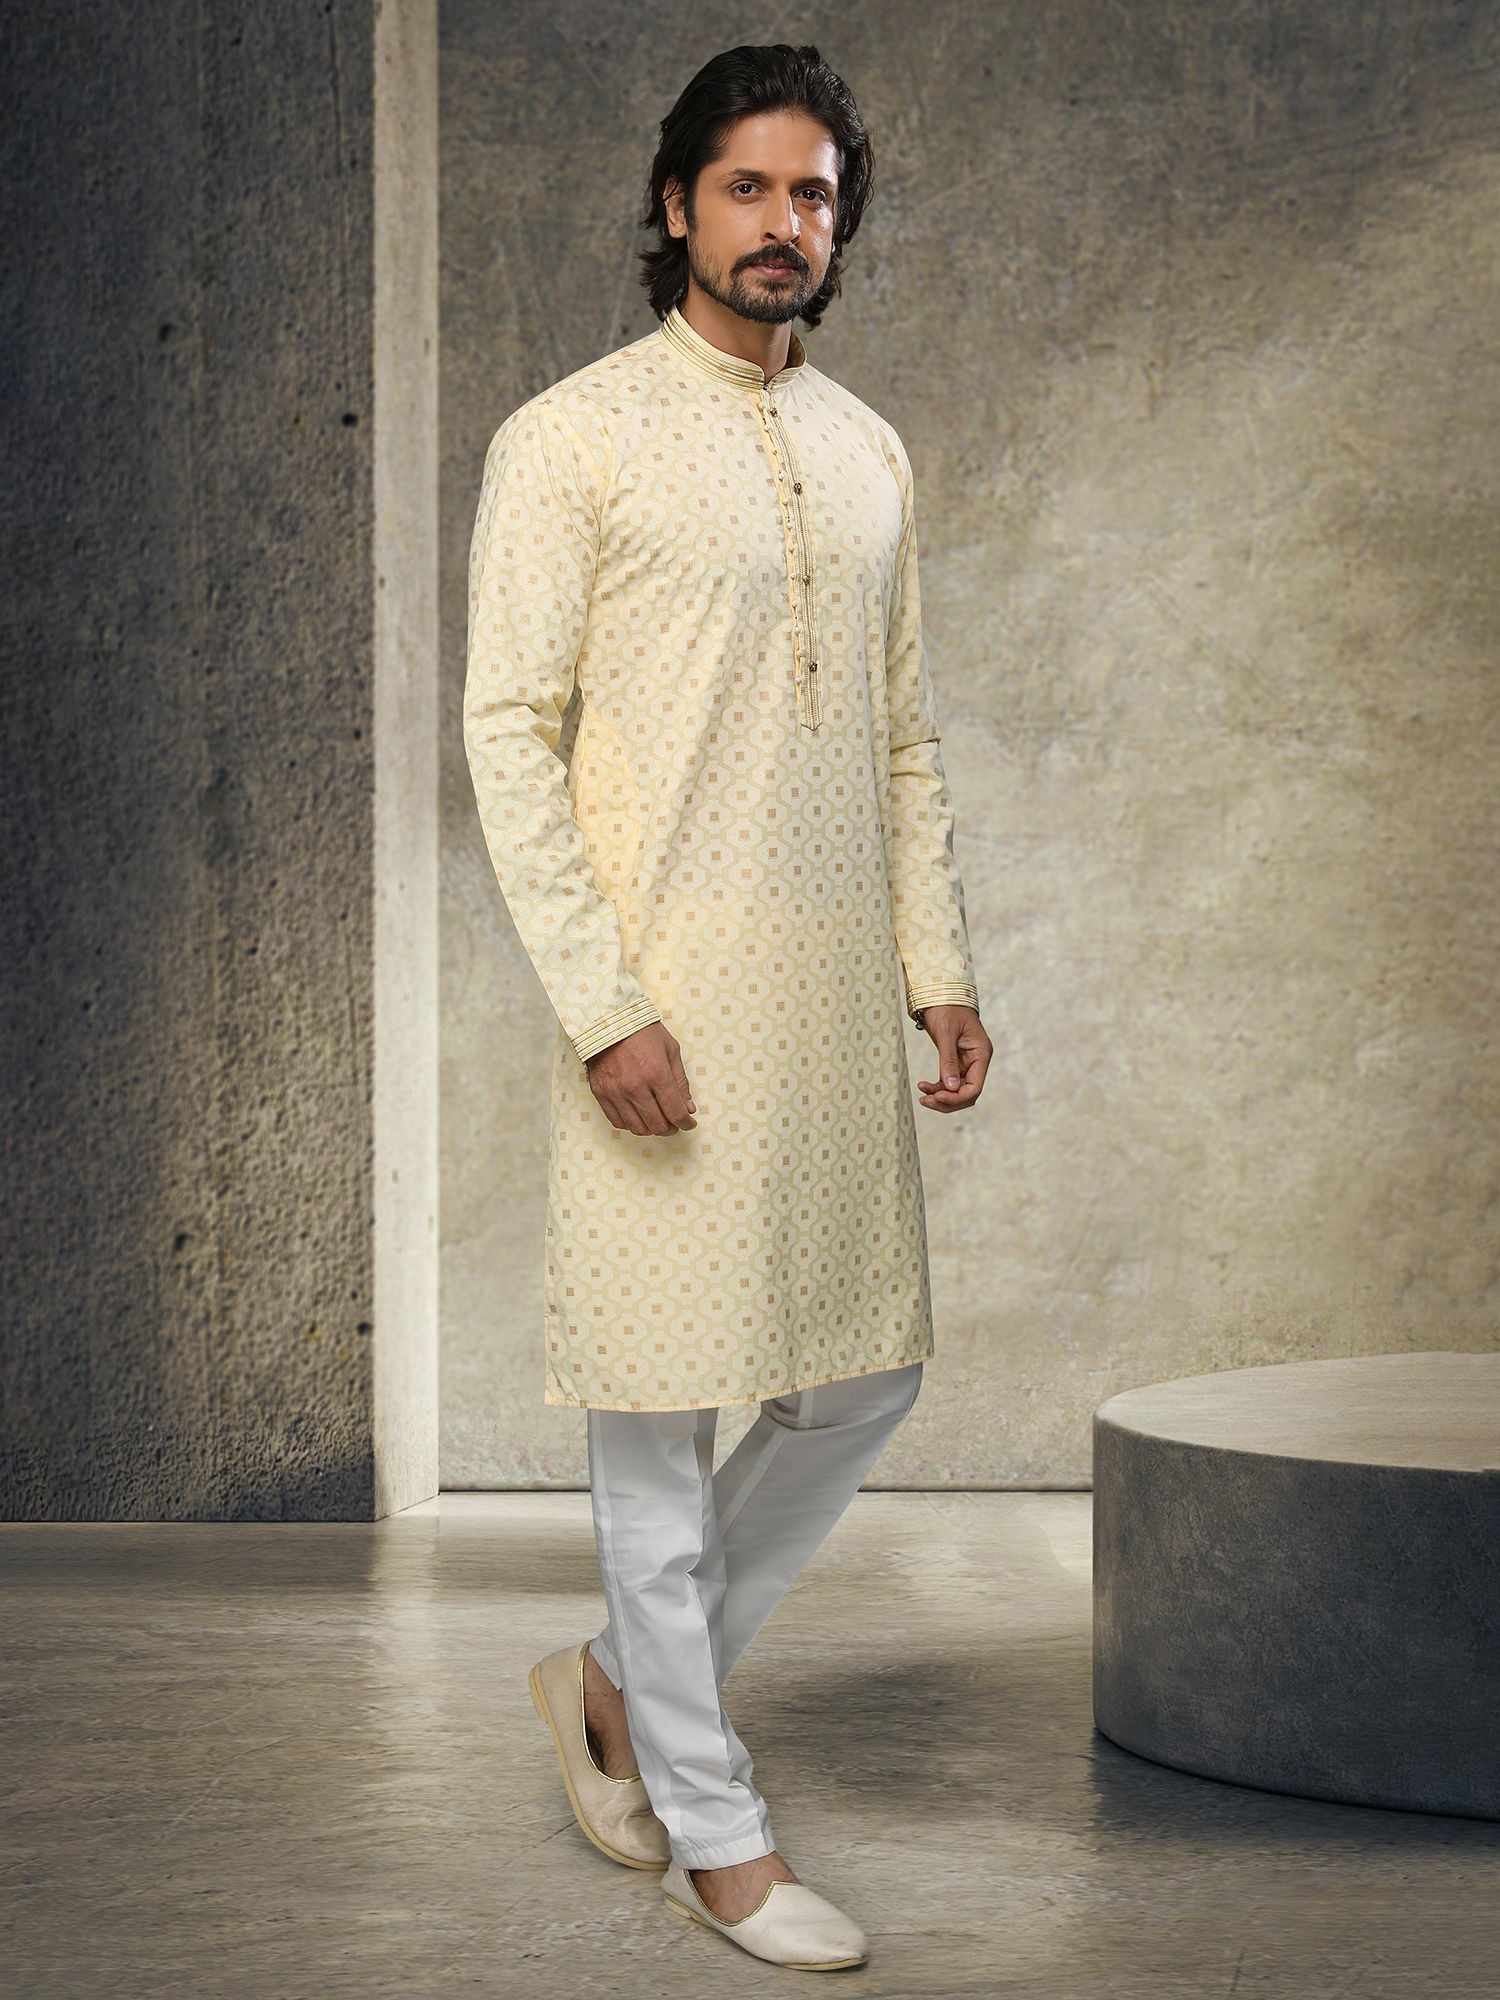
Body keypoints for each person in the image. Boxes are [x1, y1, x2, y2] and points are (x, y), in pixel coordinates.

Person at [464, 42, 991, 1972]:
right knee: (658, 1429)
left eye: (816, 195)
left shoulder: (867, 451)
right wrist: (604, 1007)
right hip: (659, 1010)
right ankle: (720, 1837)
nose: (785, 225)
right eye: (750, 188)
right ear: (677, 202)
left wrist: (938, 964)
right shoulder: (571, 439)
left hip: (832, 1005)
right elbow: (507, 736)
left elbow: (902, 736)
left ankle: (615, 1683)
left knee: (860, 1374)